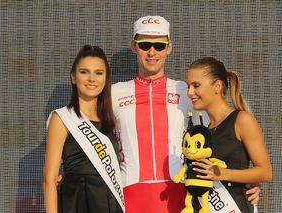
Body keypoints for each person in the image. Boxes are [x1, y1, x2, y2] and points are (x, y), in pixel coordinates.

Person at [111, 15, 261, 213]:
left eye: (160, 46)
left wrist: (245, 182)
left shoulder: (186, 91)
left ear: (169, 48)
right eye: (145, 45)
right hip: (128, 194)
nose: (152, 52)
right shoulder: (113, 93)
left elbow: (217, 140)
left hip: (180, 194)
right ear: (133, 46)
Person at [43, 45, 124, 213]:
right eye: (84, 72)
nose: (91, 79)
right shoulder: (62, 118)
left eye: (98, 73)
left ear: (105, 78)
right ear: (73, 77)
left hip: (109, 202)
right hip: (77, 201)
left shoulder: (112, 121)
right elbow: (49, 180)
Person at [185, 56, 272, 212]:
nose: (190, 92)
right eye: (188, 86)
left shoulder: (242, 120)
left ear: (217, 86)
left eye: (196, 86)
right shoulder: (204, 129)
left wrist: (221, 173)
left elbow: (265, 172)